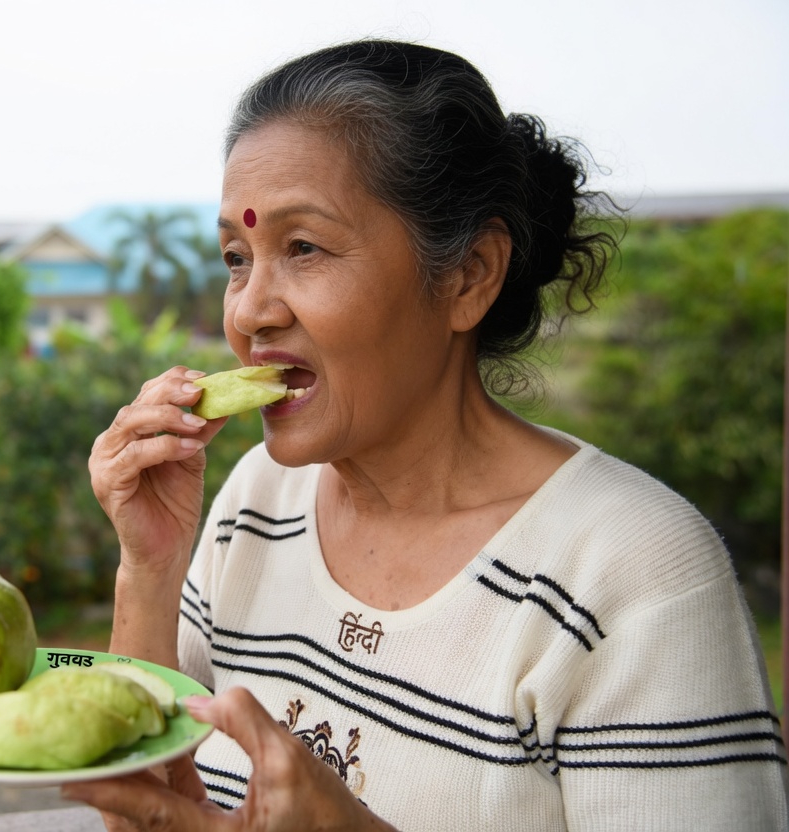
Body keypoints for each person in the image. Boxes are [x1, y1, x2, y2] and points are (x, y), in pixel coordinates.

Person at [69, 39, 788, 831]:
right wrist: (150, 567)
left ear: (469, 274)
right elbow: (145, 814)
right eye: (238, 258)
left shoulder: (633, 574)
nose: (247, 313)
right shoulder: (253, 506)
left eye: (302, 248)